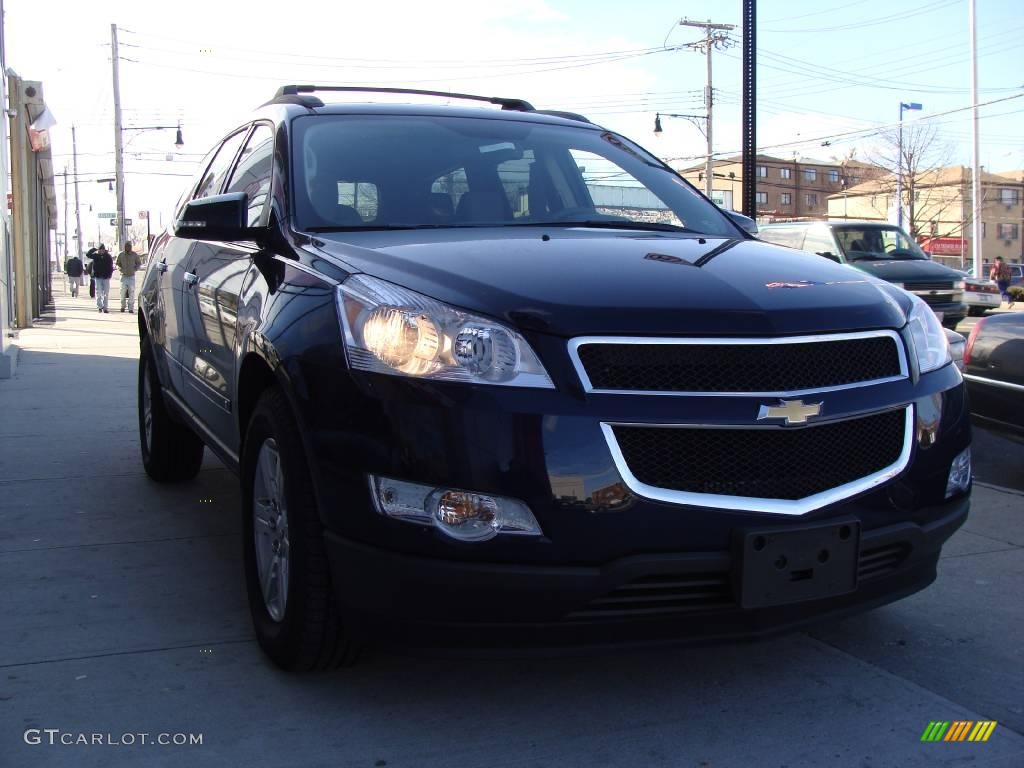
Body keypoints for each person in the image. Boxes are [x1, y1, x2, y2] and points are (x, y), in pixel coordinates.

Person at [86, 244, 114, 313]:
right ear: (99, 250)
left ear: (104, 250)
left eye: (102, 249)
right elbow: (88, 254)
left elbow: (111, 266)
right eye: (100, 249)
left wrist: (110, 274)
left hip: (106, 277)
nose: (101, 251)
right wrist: (94, 249)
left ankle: (105, 307)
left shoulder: (108, 256)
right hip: (98, 277)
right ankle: (99, 306)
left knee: (106, 293)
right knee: (98, 292)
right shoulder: (96, 256)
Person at [116, 242, 142, 313]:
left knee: (131, 292)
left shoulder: (134, 255)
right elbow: (117, 264)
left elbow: (139, 263)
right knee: (122, 292)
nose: (127, 247)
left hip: (131, 276)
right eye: (126, 246)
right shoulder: (121, 255)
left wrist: (135, 269)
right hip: (123, 276)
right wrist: (119, 268)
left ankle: (131, 308)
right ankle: (122, 306)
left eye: (129, 246)